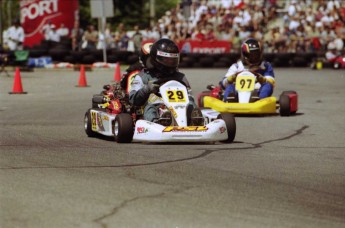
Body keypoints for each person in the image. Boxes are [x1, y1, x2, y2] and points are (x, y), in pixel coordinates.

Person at [128, 38, 203, 126]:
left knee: (191, 104)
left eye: (172, 60)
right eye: (167, 60)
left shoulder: (180, 76)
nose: (170, 63)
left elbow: (189, 96)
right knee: (149, 108)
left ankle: (194, 120)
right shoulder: (143, 76)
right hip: (156, 107)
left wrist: (190, 103)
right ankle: (157, 123)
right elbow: (132, 100)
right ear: (156, 59)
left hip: (179, 106)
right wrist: (146, 89)